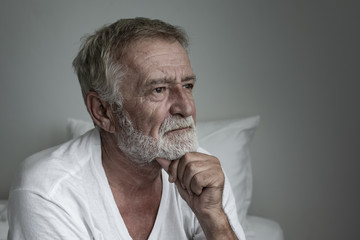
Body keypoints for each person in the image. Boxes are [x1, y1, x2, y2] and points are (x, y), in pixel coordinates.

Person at [8, 17, 245, 240]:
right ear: (102, 111)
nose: (186, 107)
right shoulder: (48, 190)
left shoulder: (204, 176)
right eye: (158, 89)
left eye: (188, 85)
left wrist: (214, 219)